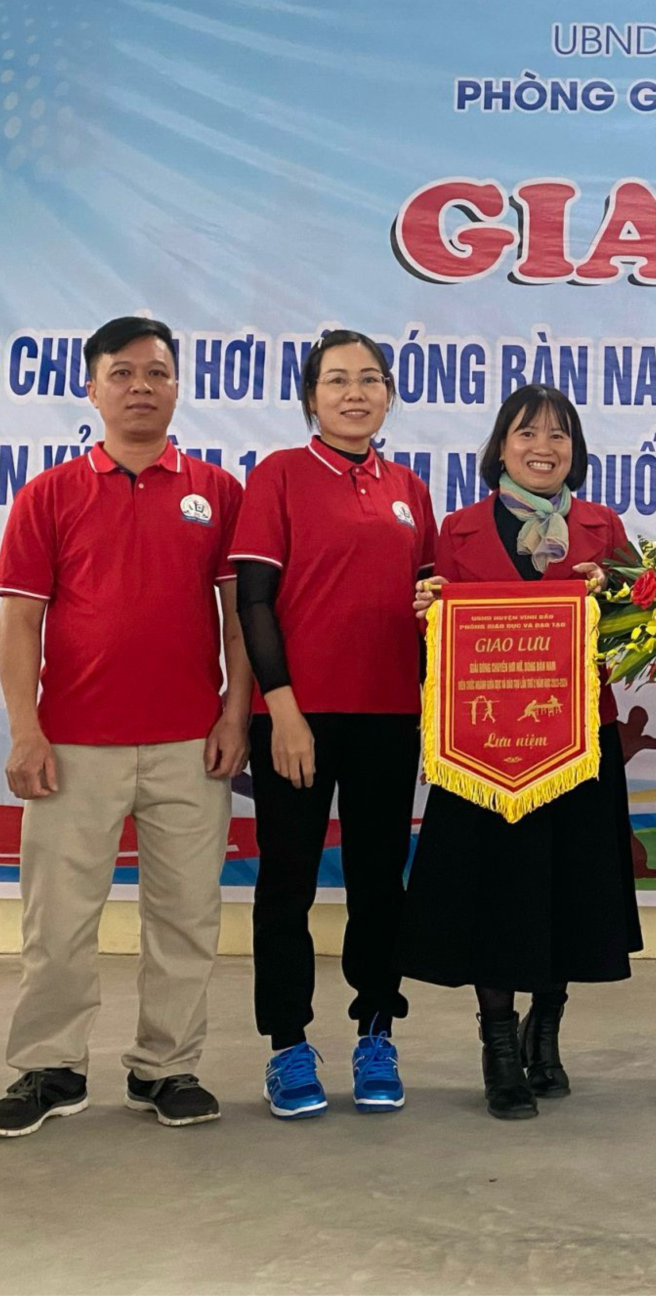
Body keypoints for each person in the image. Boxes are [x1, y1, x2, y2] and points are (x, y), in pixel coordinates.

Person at [0, 316, 249, 1138]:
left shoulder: (217, 492)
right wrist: (25, 731)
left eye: (156, 372)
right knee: (57, 920)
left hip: (190, 743)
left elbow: (241, 619)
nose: (140, 387)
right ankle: (49, 1069)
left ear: (178, 387)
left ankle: (167, 1068)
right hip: (72, 744)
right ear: (91, 388)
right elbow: (20, 623)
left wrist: (235, 713)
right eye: (122, 373)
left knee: (186, 916)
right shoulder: (49, 494)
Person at [403, 385, 642, 1120]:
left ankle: (548, 1029)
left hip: (577, 744)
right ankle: (500, 1045)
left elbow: (645, 620)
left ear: (576, 449)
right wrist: (427, 611)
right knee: (495, 895)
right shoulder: (459, 529)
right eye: (527, 432)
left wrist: (616, 596)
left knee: (567, 888)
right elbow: (439, 639)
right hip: (482, 748)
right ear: (501, 447)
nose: (543, 447)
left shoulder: (603, 527)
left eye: (558, 435)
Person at [228, 329, 437, 1120]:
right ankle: (287, 1044)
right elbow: (254, 601)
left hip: (390, 715)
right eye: (338, 380)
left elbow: (430, 609)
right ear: (311, 396)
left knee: (380, 884)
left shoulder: (409, 489)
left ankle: (377, 1032)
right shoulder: (279, 475)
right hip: (296, 718)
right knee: (287, 883)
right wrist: (281, 706)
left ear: (390, 394)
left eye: (370, 379)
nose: (356, 393)